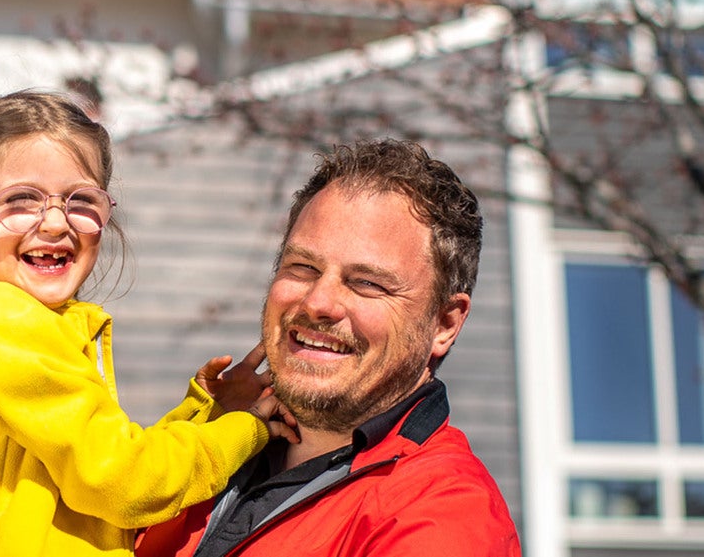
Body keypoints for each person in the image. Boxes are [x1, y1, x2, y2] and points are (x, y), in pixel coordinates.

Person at [0, 90, 296, 557]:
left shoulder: (6, 322)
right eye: (20, 200)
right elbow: (125, 483)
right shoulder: (1, 324)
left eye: (80, 200)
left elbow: (96, 463)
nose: (55, 222)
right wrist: (246, 431)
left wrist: (207, 416)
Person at [136, 138, 522, 557]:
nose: (318, 302)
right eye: (302, 268)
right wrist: (202, 433)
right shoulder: (205, 445)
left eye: (367, 283)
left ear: (444, 324)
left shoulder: (444, 518)